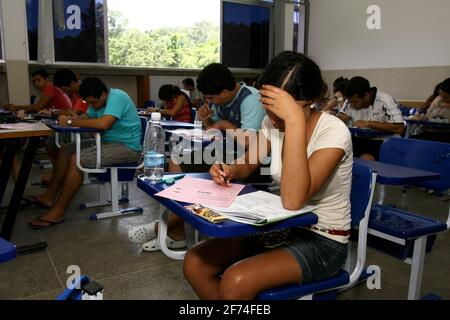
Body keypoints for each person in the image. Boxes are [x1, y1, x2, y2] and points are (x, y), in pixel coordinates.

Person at [183, 51, 353, 300]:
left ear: (310, 101)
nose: (273, 120)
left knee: (236, 281)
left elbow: (294, 199)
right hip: (284, 228)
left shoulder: (333, 131)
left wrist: (293, 122)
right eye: (269, 110)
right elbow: (249, 163)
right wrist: (229, 169)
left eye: (282, 112)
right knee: (195, 263)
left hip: (323, 239)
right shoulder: (272, 123)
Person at [127, 63, 267, 252]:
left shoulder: (250, 99)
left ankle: (163, 228)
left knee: (200, 175)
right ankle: (176, 233)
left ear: (225, 91)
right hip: (224, 153)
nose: (208, 101)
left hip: (252, 161)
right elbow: (213, 133)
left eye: (211, 98)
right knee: (177, 159)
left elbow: (250, 143)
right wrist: (207, 120)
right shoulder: (220, 101)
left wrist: (224, 124)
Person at [27, 77, 142, 228]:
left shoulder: (117, 97)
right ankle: (49, 196)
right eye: (89, 103)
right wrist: (69, 117)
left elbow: (104, 123)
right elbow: (87, 117)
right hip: (109, 143)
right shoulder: (96, 101)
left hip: (127, 148)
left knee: (77, 159)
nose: (92, 106)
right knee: (66, 149)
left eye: (94, 102)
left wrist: (70, 121)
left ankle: (59, 211)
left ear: (103, 94)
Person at [39, 68, 89, 185]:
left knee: (57, 139)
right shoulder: (75, 93)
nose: (64, 92)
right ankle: (58, 171)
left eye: (64, 89)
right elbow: (73, 113)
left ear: (73, 83)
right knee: (52, 139)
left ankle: (60, 174)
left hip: (88, 130)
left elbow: (74, 113)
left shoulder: (84, 92)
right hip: (81, 126)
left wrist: (56, 113)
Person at [337, 76, 404, 160]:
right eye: (350, 102)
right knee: (337, 152)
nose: (352, 105)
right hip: (360, 140)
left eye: (354, 102)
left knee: (366, 159)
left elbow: (399, 128)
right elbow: (342, 118)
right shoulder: (351, 100)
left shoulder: (384, 100)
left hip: (384, 143)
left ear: (366, 96)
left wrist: (368, 123)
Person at [4, 70, 72, 113]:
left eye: (38, 80)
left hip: (65, 117)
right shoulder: (51, 87)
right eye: (34, 82)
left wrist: (16, 107)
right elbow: (40, 107)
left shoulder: (50, 87)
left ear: (47, 79)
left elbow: (37, 107)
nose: (36, 83)